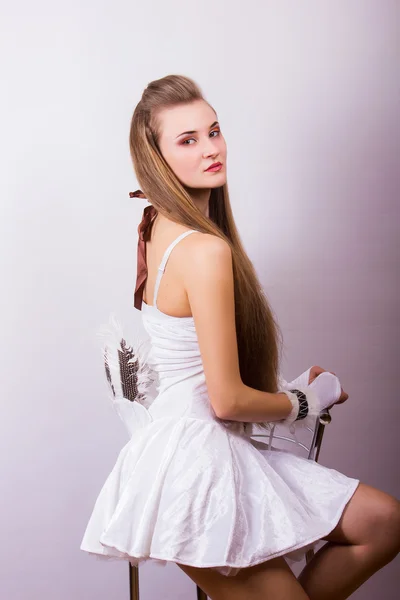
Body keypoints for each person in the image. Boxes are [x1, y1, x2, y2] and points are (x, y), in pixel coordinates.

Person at [80, 75, 400, 599]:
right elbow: (227, 401)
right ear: (157, 157)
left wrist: (288, 388)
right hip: (195, 465)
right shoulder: (205, 251)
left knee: (382, 521)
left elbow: (196, 368)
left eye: (214, 131)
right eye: (188, 140)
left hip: (191, 443)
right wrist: (304, 401)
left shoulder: (158, 223)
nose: (210, 149)